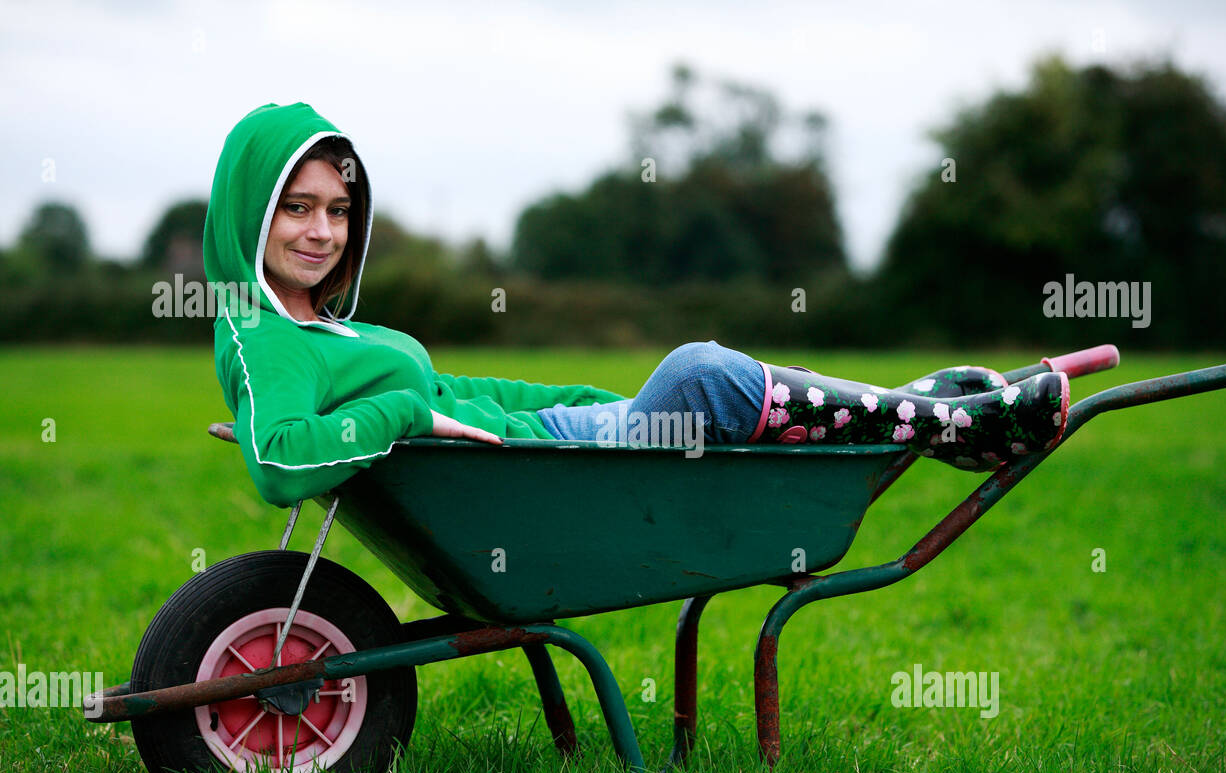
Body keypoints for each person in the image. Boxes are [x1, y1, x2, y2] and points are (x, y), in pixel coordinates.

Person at [207, 103, 1067, 509]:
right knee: (700, 372)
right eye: (297, 206)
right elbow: (278, 462)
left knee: (708, 383)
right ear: (253, 210)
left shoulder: (326, 328)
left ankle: (940, 412)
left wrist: (582, 403)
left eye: (339, 210)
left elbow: (464, 395)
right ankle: (950, 421)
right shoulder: (262, 337)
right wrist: (406, 414)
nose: (322, 231)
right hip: (541, 485)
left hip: (557, 448)